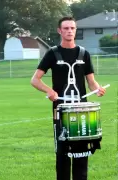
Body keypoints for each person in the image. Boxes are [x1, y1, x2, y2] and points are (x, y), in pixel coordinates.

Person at [30, 16, 106, 180]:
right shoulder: (53, 53)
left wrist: (97, 89)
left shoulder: (83, 54)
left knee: (81, 154)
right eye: (66, 28)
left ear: (75, 30)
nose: (69, 31)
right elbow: (35, 80)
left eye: (72, 28)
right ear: (59, 30)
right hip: (61, 110)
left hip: (82, 110)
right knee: (63, 155)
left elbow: (91, 82)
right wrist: (49, 91)